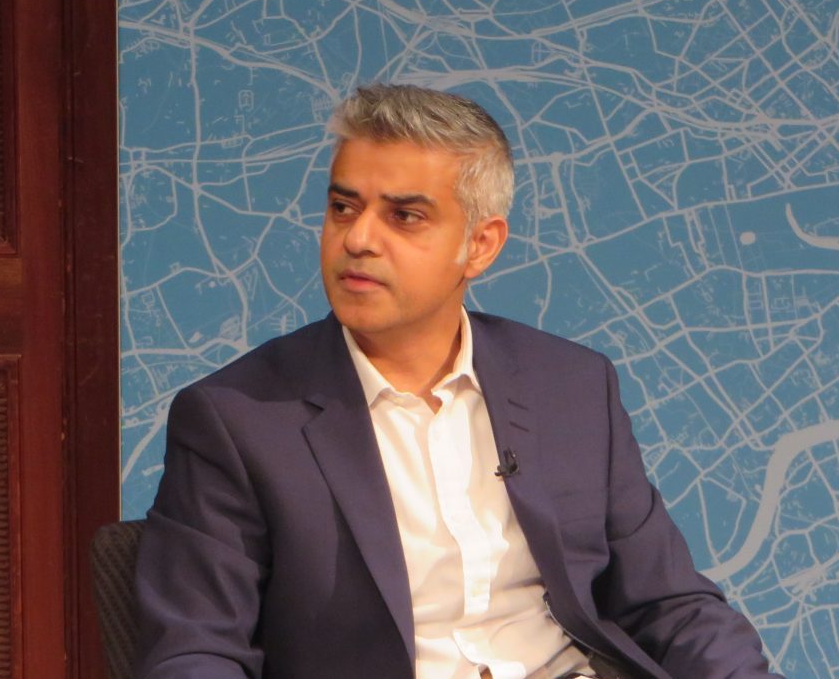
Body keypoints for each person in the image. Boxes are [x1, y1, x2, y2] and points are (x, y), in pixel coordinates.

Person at [135, 85, 781, 678]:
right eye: (343, 207)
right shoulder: (239, 418)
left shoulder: (573, 387)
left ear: (480, 244)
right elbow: (196, 650)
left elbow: (668, 603)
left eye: (405, 216)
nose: (358, 239)